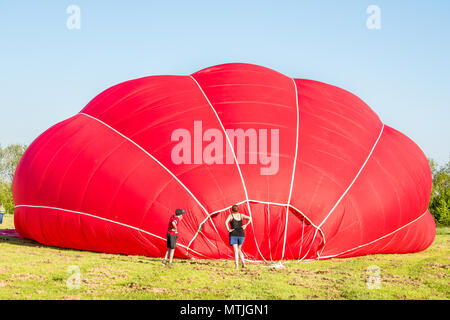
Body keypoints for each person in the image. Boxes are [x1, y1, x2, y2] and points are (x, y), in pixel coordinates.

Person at [225, 204, 252, 269]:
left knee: (235, 250)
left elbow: (225, 222)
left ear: (232, 210)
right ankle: (243, 264)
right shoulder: (241, 215)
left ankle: (237, 266)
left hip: (233, 233)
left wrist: (228, 229)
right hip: (241, 234)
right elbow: (250, 218)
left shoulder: (230, 216)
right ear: (238, 209)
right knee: (239, 250)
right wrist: (246, 225)